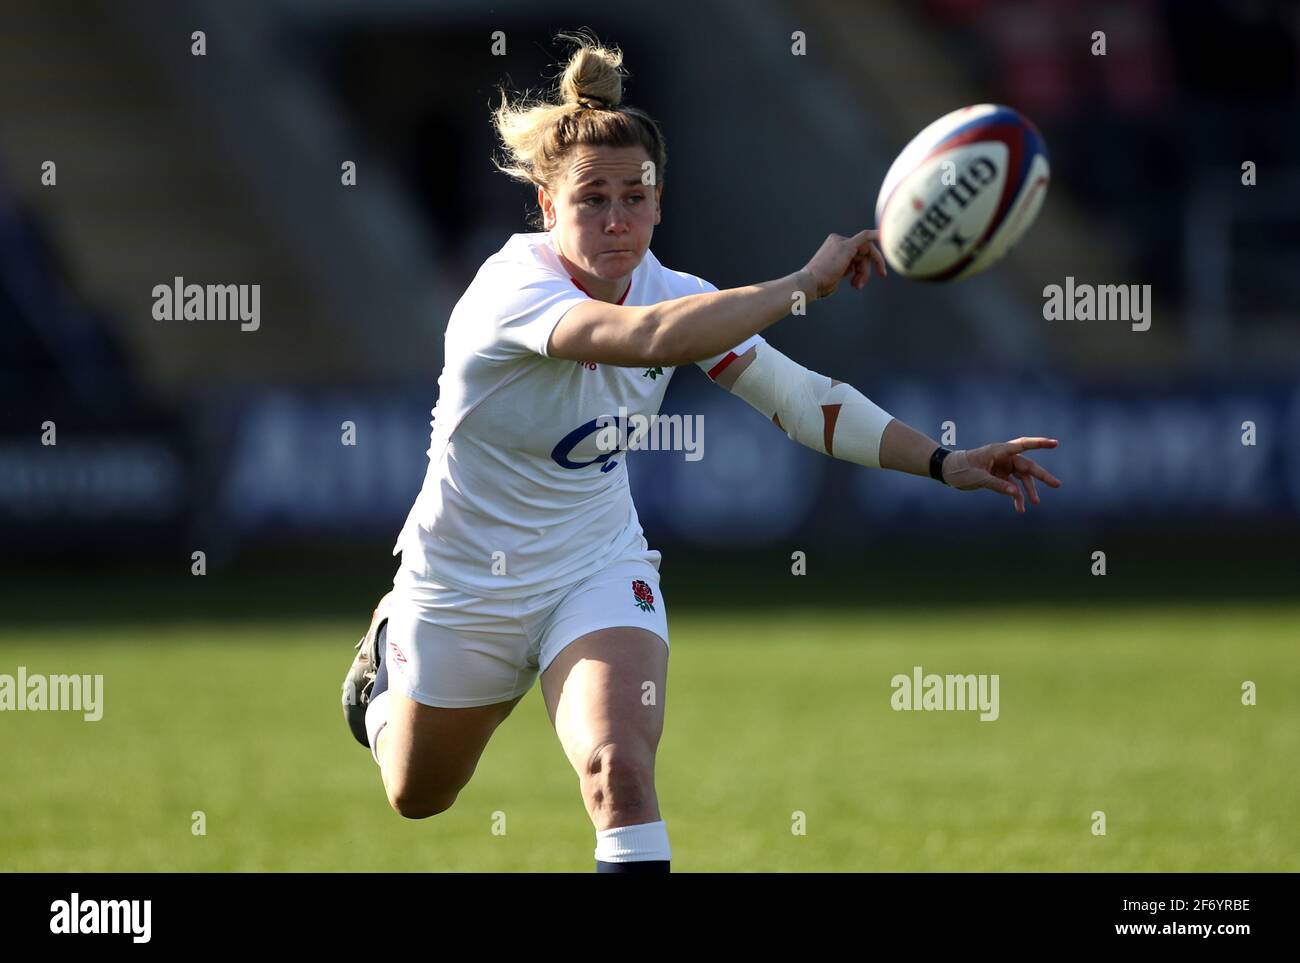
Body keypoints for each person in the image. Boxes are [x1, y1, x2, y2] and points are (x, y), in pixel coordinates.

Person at [341, 32, 1061, 873]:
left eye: (635, 197)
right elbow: (642, 341)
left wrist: (945, 461)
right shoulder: (511, 290)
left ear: (658, 202)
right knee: (418, 794)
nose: (616, 218)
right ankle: (384, 667)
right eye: (591, 199)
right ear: (546, 206)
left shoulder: (676, 293)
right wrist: (801, 284)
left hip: (593, 564)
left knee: (619, 773)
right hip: (465, 578)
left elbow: (803, 402)